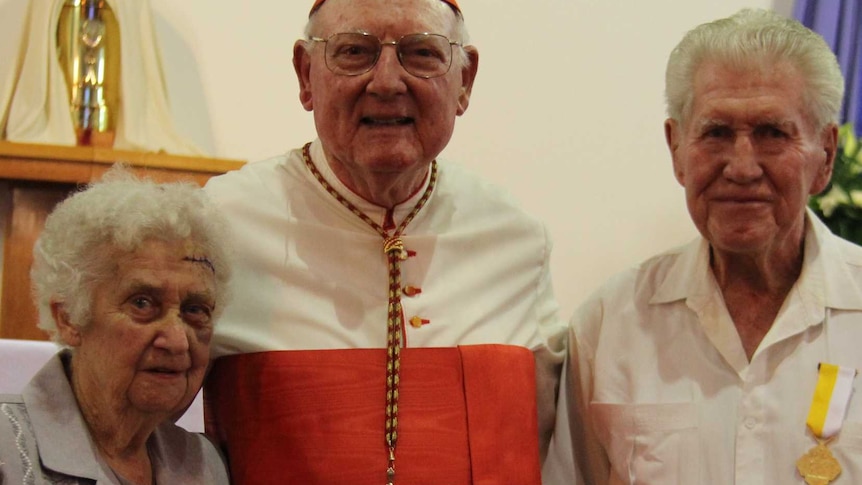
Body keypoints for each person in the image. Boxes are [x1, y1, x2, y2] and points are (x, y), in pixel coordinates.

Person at [202, 0, 564, 483]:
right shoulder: (220, 225)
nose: (388, 82)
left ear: (465, 80)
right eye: (354, 51)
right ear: (305, 75)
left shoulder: (517, 238)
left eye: (422, 53)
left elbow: (547, 442)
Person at [564, 8, 862, 485]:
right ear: (676, 149)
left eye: (772, 133)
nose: (742, 168)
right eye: (716, 132)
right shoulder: (607, 327)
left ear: (825, 156)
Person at [0, 168, 232, 484]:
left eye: (195, 310)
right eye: (142, 304)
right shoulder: (9, 451)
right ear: (69, 317)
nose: (178, 340)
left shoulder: (204, 465)